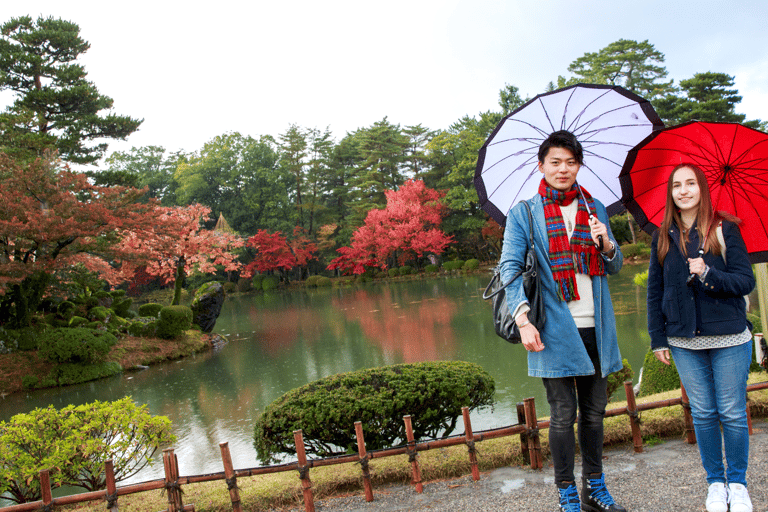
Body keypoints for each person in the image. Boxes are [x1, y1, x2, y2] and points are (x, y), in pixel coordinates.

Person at [499, 130, 626, 512]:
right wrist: (523, 320)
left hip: (596, 323)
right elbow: (508, 268)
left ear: (578, 166)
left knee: (594, 412)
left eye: (571, 162)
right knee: (562, 415)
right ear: (542, 165)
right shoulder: (524, 212)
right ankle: (566, 491)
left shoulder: (595, 207)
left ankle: (595, 488)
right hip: (553, 325)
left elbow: (614, 265)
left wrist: (605, 243)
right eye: (555, 162)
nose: (563, 169)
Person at [647, 163, 755, 512]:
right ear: (671, 193)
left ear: (701, 188)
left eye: (690, 183)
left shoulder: (724, 228)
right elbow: (655, 290)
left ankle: (737, 483)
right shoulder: (662, 235)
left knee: (733, 413)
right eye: (676, 185)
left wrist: (709, 273)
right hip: (683, 341)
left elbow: (744, 282)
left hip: (729, 337)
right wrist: (658, 337)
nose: (683, 190)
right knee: (705, 413)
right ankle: (715, 483)